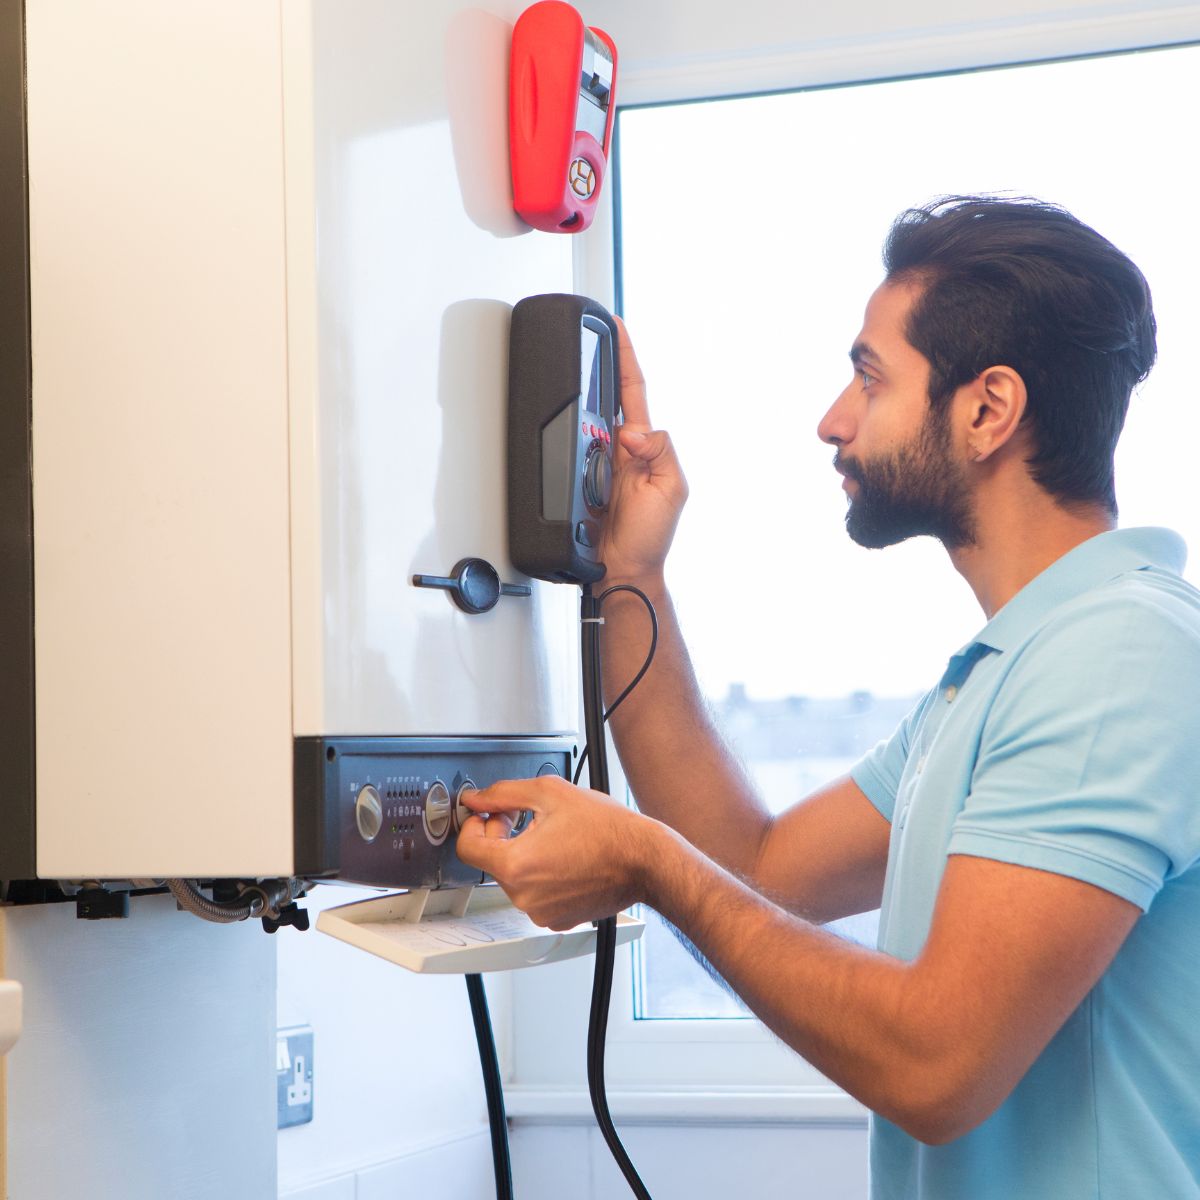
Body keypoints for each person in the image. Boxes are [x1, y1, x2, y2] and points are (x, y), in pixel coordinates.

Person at [457, 196, 1200, 1199]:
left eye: (868, 376)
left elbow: (936, 1067)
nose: (833, 421)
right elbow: (756, 865)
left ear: (988, 410)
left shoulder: (1116, 656)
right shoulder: (1006, 671)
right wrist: (636, 574)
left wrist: (645, 862)